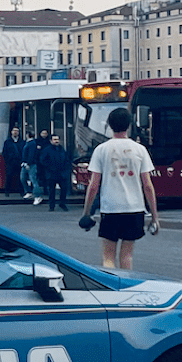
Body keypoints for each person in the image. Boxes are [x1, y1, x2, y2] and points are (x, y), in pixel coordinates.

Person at [81, 107, 159, 269]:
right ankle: (126, 286)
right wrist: (154, 216)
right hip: (134, 208)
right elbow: (147, 185)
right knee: (127, 255)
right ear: (129, 125)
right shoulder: (140, 150)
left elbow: (94, 185)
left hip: (110, 208)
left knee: (108, 255)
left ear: (109, 125)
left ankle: (110, 288)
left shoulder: (101, 150)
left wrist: (87, 212)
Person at [37, 133, 71, 211]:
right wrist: (50, 167)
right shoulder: (47, 150)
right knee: (51, 190)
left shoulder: (62, 149)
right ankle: (51, 206)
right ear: (51, 141)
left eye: (57, 139)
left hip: (61, 173)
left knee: (64, 189)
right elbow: (42, 160)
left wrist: (66, 168)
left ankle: (62, 203)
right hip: (51, 173)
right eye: (54, 139)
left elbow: (66, 159)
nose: (56, 141)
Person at [27, 129, 50, 204]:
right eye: (43, 133)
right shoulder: (36, 142)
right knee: (34, 177)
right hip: (37, 162)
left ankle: (45, 190)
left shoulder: (48, 142)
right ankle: (33, 190)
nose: (44, 134)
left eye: (45, 133)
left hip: (45, 162)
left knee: (44, 177)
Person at [1, 126, 24, 196]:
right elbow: (4, 152)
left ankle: (21, 191)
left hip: (19, 162)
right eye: (14, 130)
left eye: (17, 131)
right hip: (11, 162)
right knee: (9, 176)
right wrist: (8, 160)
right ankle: (7, 191)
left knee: (21, 177)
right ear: (11, 132)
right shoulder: (7, 142)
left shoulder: (22, 142)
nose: (15, 132)